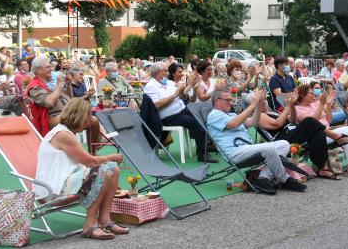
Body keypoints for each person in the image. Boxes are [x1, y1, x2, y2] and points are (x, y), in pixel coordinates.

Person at [34, 98, 128, 240]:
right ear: (78, 116)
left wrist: (110, 175)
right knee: (106, 169)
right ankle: (90, 225)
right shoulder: (63, 135)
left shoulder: (66, 132)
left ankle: (105, 220)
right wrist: (110, 157)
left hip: (62, 183)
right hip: (51, 191)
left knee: (112, 169)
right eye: (87, 117)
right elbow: (89, 161)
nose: (89, 122)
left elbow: (85, 164)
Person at [207, 88, 306, 193]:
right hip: (234, 152)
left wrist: (258, 104)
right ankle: (285, 179)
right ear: (216, 101)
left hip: (247, 148)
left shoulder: (232, 115)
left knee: (284, 144)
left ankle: (263, 179)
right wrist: (252, 105)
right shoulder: (214, 115)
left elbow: (253, 121)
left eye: (230, 100)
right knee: (268, 148)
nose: (230, 102)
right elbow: (233, 124)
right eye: (227, 100)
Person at [255, 90, 348, 180]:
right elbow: (277, 124)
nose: (264, 102)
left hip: (292, 132)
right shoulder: (260, 116)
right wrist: (288, 107)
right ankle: (336, 137)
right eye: (261, 101)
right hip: (282, 140)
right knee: (309, 120)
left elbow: (293, 119)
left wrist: (293, 106)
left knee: (318, 132)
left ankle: (322, 168)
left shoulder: (273, 112)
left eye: (264, 100)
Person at [144, 62, 217, 163]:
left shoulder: (167, 82)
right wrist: (175, 95)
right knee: (197, 123)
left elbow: (182, 95)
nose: (167, 73)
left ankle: (207, 146)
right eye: (165, 71)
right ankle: (203, 154)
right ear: (157, 73)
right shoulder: (151, 86)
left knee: (203, 117)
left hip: (183, 110)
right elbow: (156, 105)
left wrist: (190, 86)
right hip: (169, 118)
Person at [27, 56, 100, 149]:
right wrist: (59, 86)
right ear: (38, 70)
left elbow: (71, 99)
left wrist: (68, 84)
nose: (51, 69)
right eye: (47, 67)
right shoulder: (34, 86)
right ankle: (75, 153)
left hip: (66, 114)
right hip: (52, 118)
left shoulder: (50, 83)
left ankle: (93, 153)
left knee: (93, 120)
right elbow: (49, 102)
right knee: (73, 121)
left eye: (50, 67)